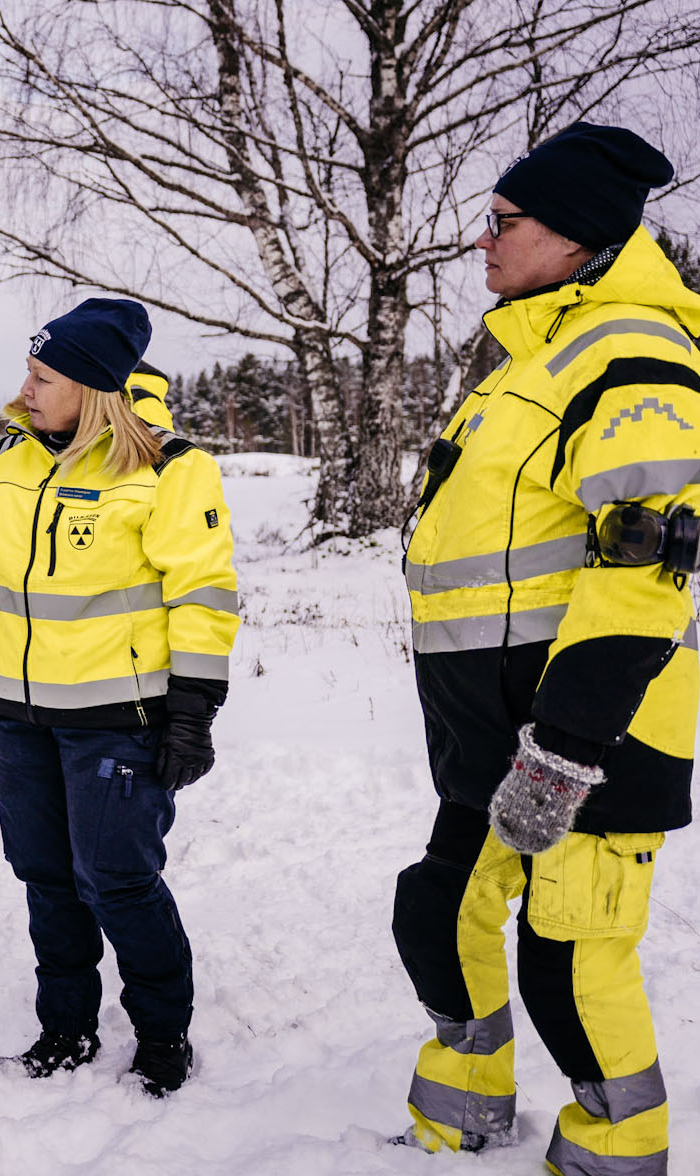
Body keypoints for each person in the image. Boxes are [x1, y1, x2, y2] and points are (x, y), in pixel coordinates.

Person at [394, 123, 694, 1173]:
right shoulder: (527, 359)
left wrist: (565, 748)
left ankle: (614, 1153)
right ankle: (459, 1113)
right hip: (495, 728)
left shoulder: (630, 353)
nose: (480, 241)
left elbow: (646, 568)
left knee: (571, 960)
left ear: (573, 232)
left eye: (503, 222)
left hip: (589, 733)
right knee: (439, 910)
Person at [0, 298, 240, 1097]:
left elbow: (203, 593)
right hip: (16, 715)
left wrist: (192, 711)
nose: (27, 388)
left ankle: (160, 1035)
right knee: (42, 875)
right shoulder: (5, 460)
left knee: (117, 881)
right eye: (30, 371)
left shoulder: (168, 469)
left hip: (119, 719)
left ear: (91, 387)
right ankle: (66, 1025)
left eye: (44, 376)